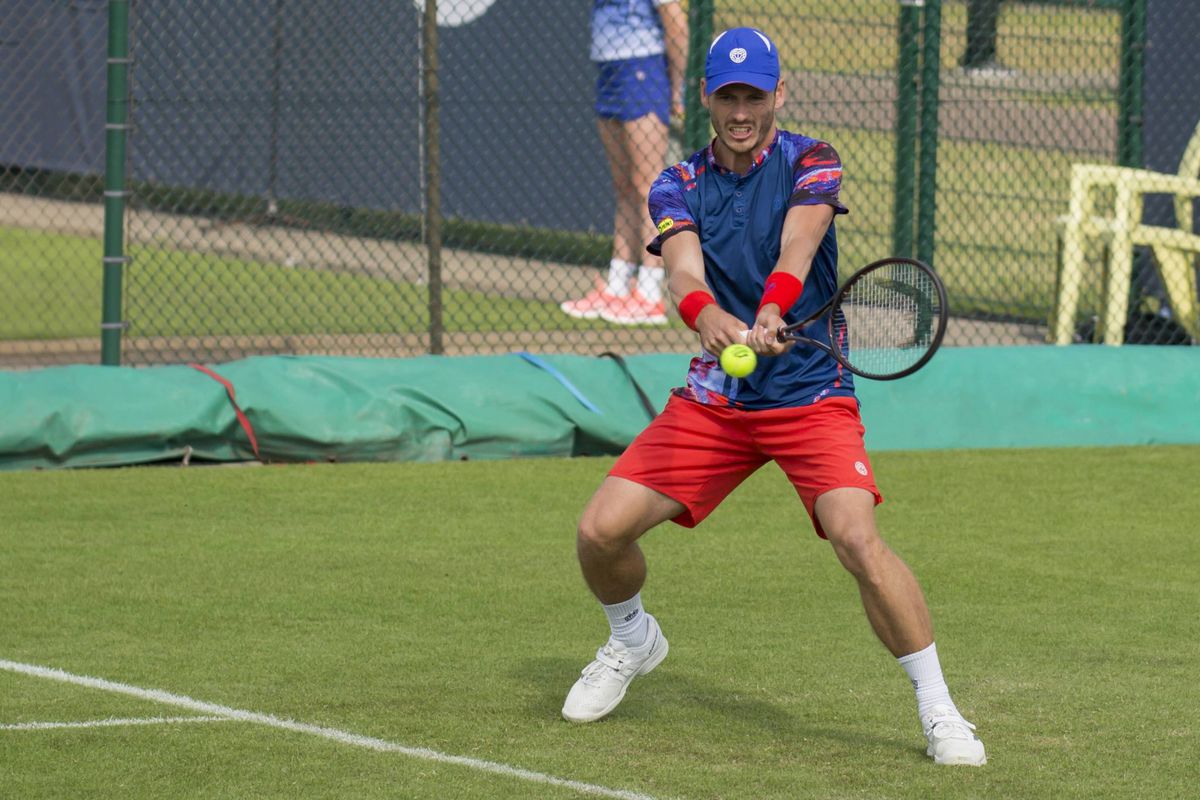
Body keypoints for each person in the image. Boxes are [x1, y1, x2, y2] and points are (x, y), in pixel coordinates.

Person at [560, 27, 987, 767]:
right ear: (707, 99)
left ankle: (940, 710)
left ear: (777, 95)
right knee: (599, 533)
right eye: (728, 96)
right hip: (717, 401)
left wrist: (770, 308)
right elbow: (684, 277)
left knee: (856, 539)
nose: (741, 111)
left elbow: (799, 244)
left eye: (754, 95)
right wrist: (711, 318)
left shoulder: (812, 159)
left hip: (810, 392)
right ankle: (632, 640)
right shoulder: (676, 183)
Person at [560, 0, 688, 326]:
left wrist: (676, 86)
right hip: (608, 70)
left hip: (643, 68)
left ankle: (648, 293)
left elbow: (675, 22)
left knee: (648, 187)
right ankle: (617, 287)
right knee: (625, 187)